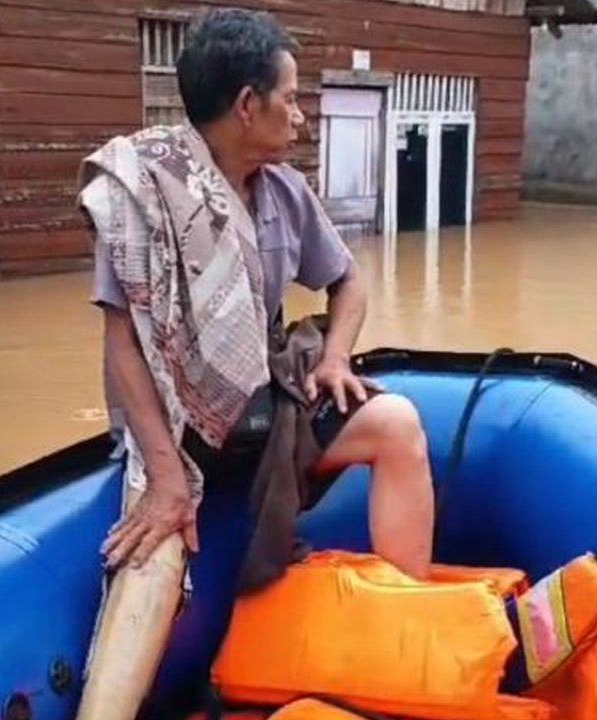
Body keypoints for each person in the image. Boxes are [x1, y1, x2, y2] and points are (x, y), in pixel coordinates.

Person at [83, 7, 435, 583]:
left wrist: (335, 357)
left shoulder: (285, 192)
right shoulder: (142, 198)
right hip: (177, 430)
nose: (299, 118)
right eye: (291, 99)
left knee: (397, 424)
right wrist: (169, 478)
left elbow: (349, 281)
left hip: (263, 409)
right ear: (249, 105)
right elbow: (123, 347)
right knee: (146, 572)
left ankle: (404, 623)